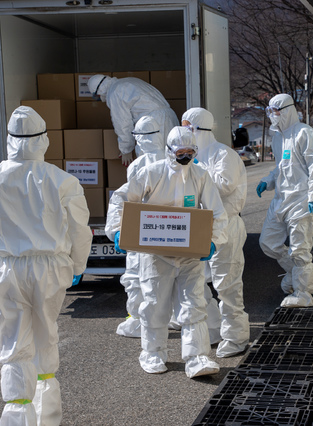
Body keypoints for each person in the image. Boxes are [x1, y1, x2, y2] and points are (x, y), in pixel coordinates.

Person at [0, 106, 93, 425]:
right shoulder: (63, 181)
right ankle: (49, 414)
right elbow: (79, 229)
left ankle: (18, 414)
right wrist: (77, 265)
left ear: (9, 140)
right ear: (43, 140)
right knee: (46, 332)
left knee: (15, 340)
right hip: (50, 269)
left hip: (5, 269)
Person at [105, 126, 228, 378]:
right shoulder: (151, 173)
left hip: (190, 255)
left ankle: (196, 357)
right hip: (155, 254)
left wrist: (213, 240)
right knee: (154, 305)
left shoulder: (200, 175)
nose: (184, 156)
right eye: (179, 152)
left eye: (190, 152)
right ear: (168, 150)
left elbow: (217, 212)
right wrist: (117, 230)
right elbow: (121, 199)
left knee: (194, 304)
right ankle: (152, 353)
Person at [181, 107, 250, 358]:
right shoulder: (191, 155)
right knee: (196, 281)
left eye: (188, 126)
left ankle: (236, 337)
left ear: (199, 127)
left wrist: (198, 170)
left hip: (225, 225)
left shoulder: (224, 154)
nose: (184, 130)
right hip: (200, 226)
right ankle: (214, 328)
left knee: (227, 283)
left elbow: (224, 185)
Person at [256, 94, 313, 308]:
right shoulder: (278, 136)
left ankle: (304, 293)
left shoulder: (305, 134)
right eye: (270, 111)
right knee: (267, 243)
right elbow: (281, 166)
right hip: (280, 200)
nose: (272, 115)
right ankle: (295, 273)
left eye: (276, 111)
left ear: (287, 110)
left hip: (300, 200)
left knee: (299, 248)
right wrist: (268, 180)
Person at [115, 115, 165, 338]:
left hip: (143, 229)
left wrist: (119, 229)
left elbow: (129, 200)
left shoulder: (137, 165)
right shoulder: (171, 159)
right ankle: (171, 318)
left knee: (136, 276)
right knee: (173, 278)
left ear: (139, 139)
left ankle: (138, 321)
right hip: (170, 230)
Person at [87, 74, 179, 166]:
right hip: (170, 116)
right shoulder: (129, 81)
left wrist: (126, 149)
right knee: (173, 159)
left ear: (99, 91)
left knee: (151, 163)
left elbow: (123, 123)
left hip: (151, 123)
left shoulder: (114, 92)